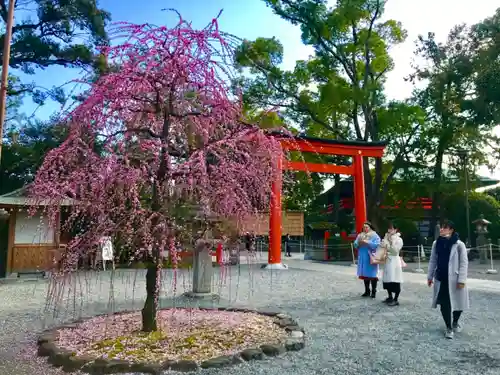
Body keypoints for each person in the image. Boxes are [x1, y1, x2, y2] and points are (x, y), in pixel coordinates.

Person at [427, 220, 469, 339]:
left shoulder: (459, 244)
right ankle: (448, 327)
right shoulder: (437, 243)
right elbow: (433, 260)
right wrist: (430, 276)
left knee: (458, 302)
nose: (441, 230)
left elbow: (464, 263)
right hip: (441, 277)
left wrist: (462, 279)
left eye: (444, 228)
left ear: (451, 230)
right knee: (444, 303)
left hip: (455, 278)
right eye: (441, 227)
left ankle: (455, 321)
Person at [354, 222, 381, 298]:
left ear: (370, 227)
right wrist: (358, 243)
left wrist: (368, 242)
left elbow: (378, 244)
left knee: (372, 274)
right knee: (365, 274)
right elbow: (355, 244)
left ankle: (373, 291)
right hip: (362, 256)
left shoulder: (374, 235)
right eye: (364, 227)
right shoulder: (360, 235)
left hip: (370, 256)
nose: (365, 228)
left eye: (366, 227)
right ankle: (367, 290)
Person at [381, 222, 404, 306]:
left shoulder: (399, 239)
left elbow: (395, 251)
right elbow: (382, 246)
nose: (389, 230)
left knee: (395, 278)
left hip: (394, 261)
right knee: (387, 279)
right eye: (389, 228)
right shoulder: (386, 238)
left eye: (391, 229)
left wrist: (389, 243)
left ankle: (396, 299)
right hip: (387, 260)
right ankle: (389, 296)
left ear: (395, 230)